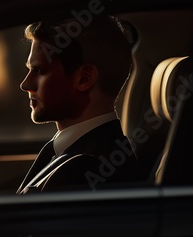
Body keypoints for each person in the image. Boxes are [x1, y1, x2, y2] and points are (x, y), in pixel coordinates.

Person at [16, 15, 142, 194]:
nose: (25, 84)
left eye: (40, 70)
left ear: (84, 78)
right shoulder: (78, 152)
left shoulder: (84, 169)